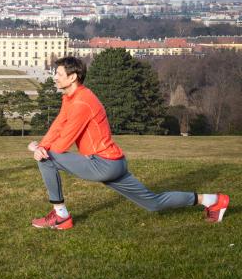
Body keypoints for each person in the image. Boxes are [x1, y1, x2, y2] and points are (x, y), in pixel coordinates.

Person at [29, 56, 228, 230]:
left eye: (58, 74)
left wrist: (41, 151)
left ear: (73, 77)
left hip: (103, 164)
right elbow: (59, 124)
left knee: (47, 159)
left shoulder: (82, 102)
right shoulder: (70, 98)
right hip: (114, 162)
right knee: (153, 203)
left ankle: (61, 216)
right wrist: (42, 145)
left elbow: (63, 142)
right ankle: (213, 200)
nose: (55, 77)